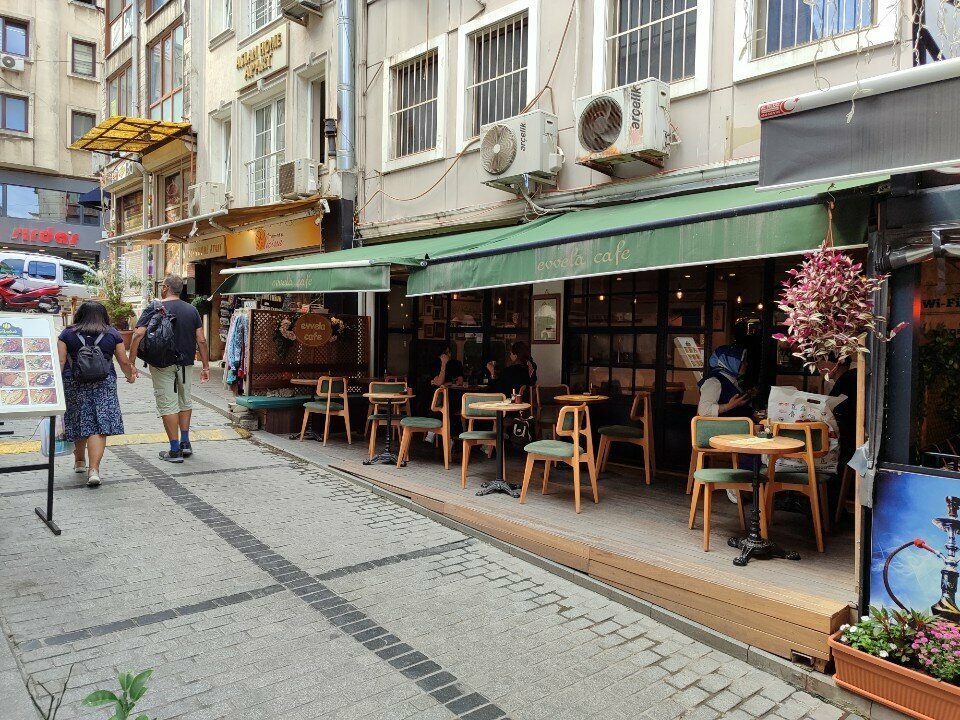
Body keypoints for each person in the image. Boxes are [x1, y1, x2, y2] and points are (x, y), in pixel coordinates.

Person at [128, 275, 209, 463]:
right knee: (184, 400)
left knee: (168, 404)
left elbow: (138, 334)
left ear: (165, 288)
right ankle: (185, 442)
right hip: (186, 363)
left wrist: (131, 363)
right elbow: (202, 339)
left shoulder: (154, 307)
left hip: (161, 363)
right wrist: (205, 366)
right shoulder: (192, 310)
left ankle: (174, 450)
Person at [57, 301, 137, 487]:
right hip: (104, 384)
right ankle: (93, 470)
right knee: (99, 425)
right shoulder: (112, 334)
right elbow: (123, 361)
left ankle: (79, 462)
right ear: (103, 316)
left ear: (79, 315)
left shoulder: (67, 334)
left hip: (74, 383)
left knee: (78, 419)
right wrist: (130, 375)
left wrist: (55, 386)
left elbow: (60, 361)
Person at [817, 354, 858, 520]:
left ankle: (825, 512)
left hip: (845, 443)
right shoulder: (851, 377)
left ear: (836, 363)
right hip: (851, 440)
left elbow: (832, 413)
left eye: (821, 362)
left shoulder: (847, 381)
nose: (819, 367)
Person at [697, 345, 754, 418]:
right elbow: (704, 411)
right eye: (743, 361)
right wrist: (729, 406)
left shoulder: (731, 379)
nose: (746, 364)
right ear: (731, 362)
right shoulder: (714, 382)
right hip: (725, 425)